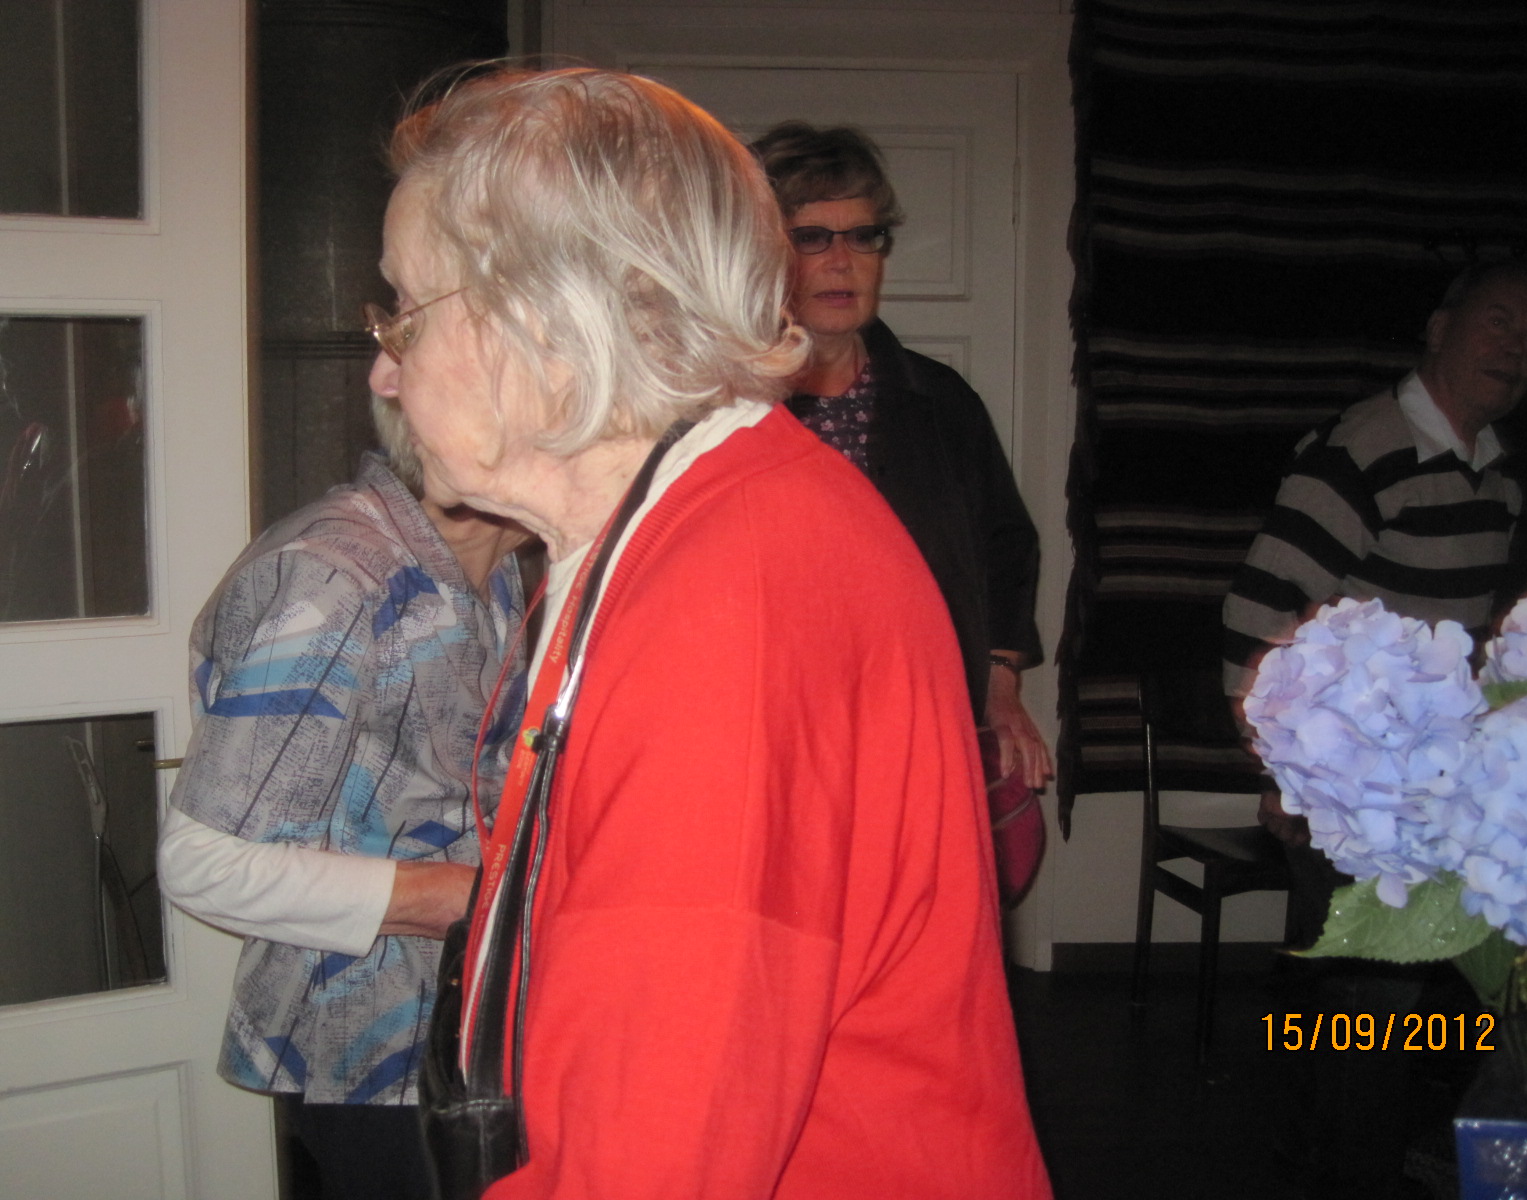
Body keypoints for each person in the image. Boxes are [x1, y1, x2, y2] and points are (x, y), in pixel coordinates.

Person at [367, 67, 1051, 1199]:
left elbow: (654, 1161)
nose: (386, 370)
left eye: (403, 309)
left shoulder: (724, 605)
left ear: (548, 320)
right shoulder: (696, 527)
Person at [1220, 258, 1527, 1200]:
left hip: (1431, 791)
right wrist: (1287, 780)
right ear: (1440, 328)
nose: (1516, 351)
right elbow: (1257, 618)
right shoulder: (1362, 452)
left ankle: (1319, 1164)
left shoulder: (1499, 472)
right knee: (1375, 1003)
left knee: (1362, 1008)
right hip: (1350, 793)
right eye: (1499, 322)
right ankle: (1350, 1171)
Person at [158, 396, 529, 1200]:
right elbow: (203, 863)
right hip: (367, 1054)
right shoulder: (336, 576)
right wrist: (463, 898)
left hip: (467, 1022)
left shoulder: (494, 566)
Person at [747, 121, 1051, 792]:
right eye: (811, 237)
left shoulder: (941, 403)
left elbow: (1006, 548)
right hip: (769, 740)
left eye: (863, 236)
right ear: (759, 251)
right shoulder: (722, 411)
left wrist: (1000, 691)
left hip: (919, 731)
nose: (842, 260)